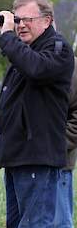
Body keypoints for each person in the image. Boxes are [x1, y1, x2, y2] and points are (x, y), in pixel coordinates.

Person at [0, 0, 74, 228]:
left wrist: (7, 36)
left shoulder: (59, 49)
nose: (21, 25)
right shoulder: (24, 53)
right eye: (17, 20)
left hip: (37, 157)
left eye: (28, 19)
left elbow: (35, 68)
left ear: (47, 21)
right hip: (18, 157)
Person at [54, 57, 77, 228]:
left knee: (60, 221)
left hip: (59, 163)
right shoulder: (24, 61)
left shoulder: (71, 64)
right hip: (26, 162)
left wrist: (56, 145)